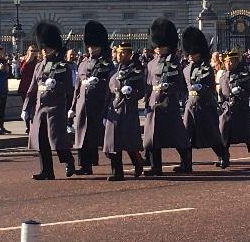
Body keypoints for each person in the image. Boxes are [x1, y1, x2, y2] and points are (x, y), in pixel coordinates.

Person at [23, 23, 77, 180]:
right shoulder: (39, 65)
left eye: (47, 47)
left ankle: (68, 160)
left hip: (55, 107)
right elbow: (32, 87)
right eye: (43, 48)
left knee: (57, 139)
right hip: (40, 107)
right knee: (41, 141)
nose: (44, 50)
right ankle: (47, 170)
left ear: (54, 47)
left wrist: (56, 85)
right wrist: (26, 107)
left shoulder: (63, 66)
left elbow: (68, 87)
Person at [143, 17, 191, 176]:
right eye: (156, 46)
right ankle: (156, 167)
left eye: (161, 46)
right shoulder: (150, 64)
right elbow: (148, 84)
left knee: (177, 135)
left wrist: (168, 87)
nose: (157, 49)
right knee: (152, 136)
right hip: (153, 104)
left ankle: (186, 163)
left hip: (168, 104)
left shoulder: (174, 63)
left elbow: (180, 85)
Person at [70, 21, 115, 175]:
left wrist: (100, 82)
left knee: (105, 137)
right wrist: (72, 107)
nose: (92, 49)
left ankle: (121, 164)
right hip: (83, 104)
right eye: (90, 47)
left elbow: (112, 83)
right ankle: (85, 166)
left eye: (94, 47)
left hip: (100, 104)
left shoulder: (107, 64)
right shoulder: (82, 64)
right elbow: (77, 87)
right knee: (82, 135)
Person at [181, 27, 228, 170]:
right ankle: (186, 164)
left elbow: (210, 87)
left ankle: (223, 156)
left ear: (199, 53)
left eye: (192, 53)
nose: (190, 55)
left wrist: (202, 89)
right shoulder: (185, 69)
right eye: (188, 53)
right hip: (190, 105)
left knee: (211, 134)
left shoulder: (206, 68)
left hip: (204, 105)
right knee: (186, 135)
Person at [103, 40, 145, 181]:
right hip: (114, 108)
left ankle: (137, 162)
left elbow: (141, 91)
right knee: (112, 142)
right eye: (117, 52)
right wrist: (105, 112)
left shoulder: (135, 71)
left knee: (128, 141)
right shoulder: (114, 71)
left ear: (128, 54)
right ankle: (117, 172)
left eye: (122, 53)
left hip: (127, 108)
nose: (118, 55)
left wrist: (131, 92)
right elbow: (108, 93)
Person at [219, 48, 250, 164]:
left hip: (240, 110)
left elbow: (248, 91)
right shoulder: (223, 77)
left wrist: (240, 92)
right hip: (227, 109)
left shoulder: (243, 75)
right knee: (223, 133)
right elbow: (222, 94)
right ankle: (224, 157)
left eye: (231, 61)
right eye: (226, 61)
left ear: (236, 62)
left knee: (246, 136)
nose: (228, 64)